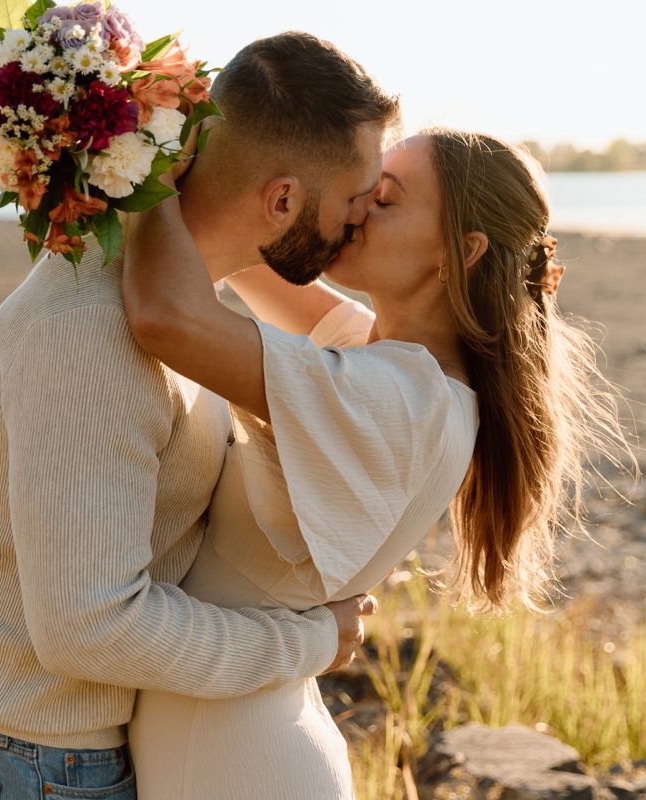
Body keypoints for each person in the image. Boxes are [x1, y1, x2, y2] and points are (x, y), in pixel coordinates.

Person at [0, 33, 400, 799]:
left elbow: (360, 346)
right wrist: (308, 639)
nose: (363, 216)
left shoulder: (189, 298)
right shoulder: (90, 332)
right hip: (25, 758)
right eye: (356, 196)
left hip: (51, 745)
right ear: (282, 201)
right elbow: (89, 626)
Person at [122, 128, 632, 798]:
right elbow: (236, 252)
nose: (356, 207)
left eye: (383, 198)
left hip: (229, 755)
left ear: (460, 254)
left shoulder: (396, 399)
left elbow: (165, 316)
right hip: (240, 727)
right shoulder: (388, 364)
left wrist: (132, 162)